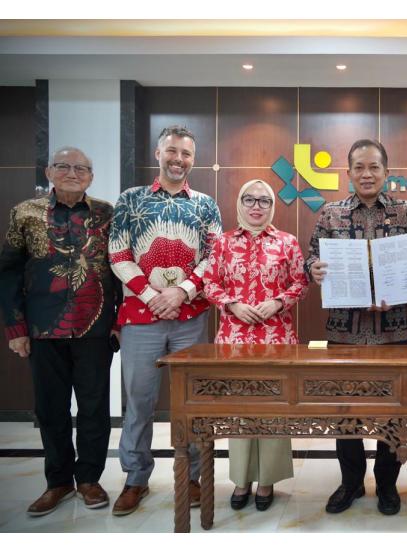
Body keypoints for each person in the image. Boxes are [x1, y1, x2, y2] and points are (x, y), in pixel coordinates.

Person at [306, 139, 407, 516]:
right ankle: (351, 482)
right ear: (348, 173)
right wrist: (313, 268)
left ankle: (388, 484)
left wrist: (401, 287)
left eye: (374, 167)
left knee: (394, 411)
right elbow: (312, 255)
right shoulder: (331, 213)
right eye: (359, 167)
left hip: (393, 328)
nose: (367, 174)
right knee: (346, 412)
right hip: (344, 331)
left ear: (386, 172)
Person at [108, 125, 222, 516]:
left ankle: (190, 476)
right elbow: (118, 255)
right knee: (139, 401)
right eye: (171, 151)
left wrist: (183, 292)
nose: (178, 159)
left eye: (186, 153)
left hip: (190, 316)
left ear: (194, 159)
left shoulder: (206, 204)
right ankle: (135, 478)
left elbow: (213, 258)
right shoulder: (131, 200)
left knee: (189, 402)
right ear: (158, 153)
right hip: (141, 317)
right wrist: (154, 296)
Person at [0, 147, 119, 516]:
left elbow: (119, 268)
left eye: (81, 167)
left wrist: (118, 322)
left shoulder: (106, 213)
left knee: (95, 407)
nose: (73, 172)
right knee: (50, 408)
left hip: (96, 328)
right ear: (49, 171)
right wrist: (15, 327)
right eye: (64, 166)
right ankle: (57, 482)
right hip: (43, 328)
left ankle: (89, 479)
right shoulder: (26, 212)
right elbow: (8, 271)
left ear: (91, 175)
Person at [203, 179, 308, 512]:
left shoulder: (287, 242)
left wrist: (276, 302)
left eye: (264, 201)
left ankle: (267, 481)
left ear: (272, 206)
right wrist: (232, 304)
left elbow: (300, 283)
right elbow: (209, 283)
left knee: (274, 411)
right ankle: (241, 480)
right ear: (240, 204)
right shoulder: (221, 243)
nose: (256, 206)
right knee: (241, 412)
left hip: (277, 338)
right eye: (249, 199)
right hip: (234, 340)